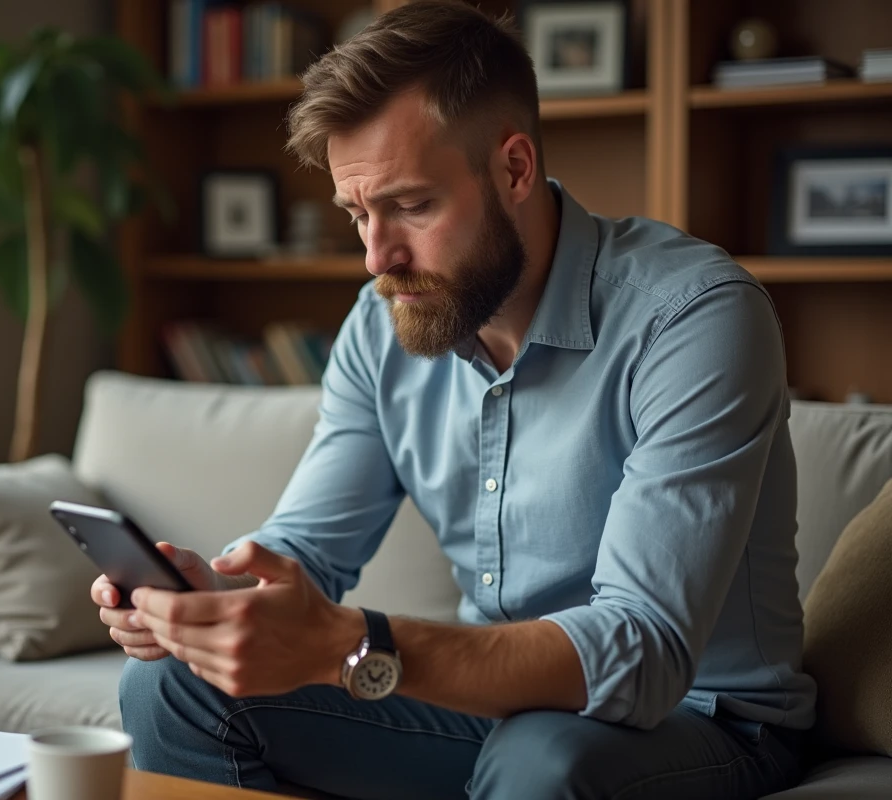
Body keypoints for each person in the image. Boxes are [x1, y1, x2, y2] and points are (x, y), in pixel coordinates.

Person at [94, 2, 816, 797]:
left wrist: (354, 643)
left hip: (700, 719)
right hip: (492, 709)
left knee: (541, 760)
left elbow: (642, 651)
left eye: (410, 205)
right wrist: (209, 601)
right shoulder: (384, 326)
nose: (377, 257)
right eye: (357, 214)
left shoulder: (693, 315)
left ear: (513, 169)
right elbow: (304, 554)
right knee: (171, 690)